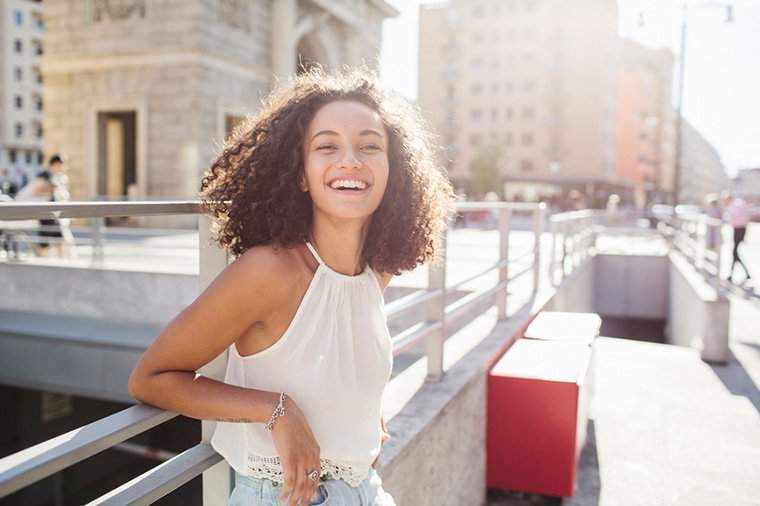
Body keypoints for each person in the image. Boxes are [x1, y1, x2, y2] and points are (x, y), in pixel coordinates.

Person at [127, 69, 454, 506]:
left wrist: (360, 418)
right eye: (327, 146)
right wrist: (275, 410)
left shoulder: (375, 271)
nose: (351, 160)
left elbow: (337, 364)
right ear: (300, 174)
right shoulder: (269, 271)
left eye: (370, 145)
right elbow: (152, 379)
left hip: (365, 492)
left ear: (393, 172)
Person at [16, 154, 74, 257]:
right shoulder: (45, 175)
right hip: (46, 213)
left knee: (55, 239)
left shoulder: (55, 176)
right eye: (61, 165)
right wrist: (53, 189)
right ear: (55, 164)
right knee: (54, 240)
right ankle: (52, 260)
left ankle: (58, 261)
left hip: (50, 213)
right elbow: (36, 192)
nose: (62, 168)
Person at [722, 191, 751, 284]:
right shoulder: (739, 203)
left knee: (734, 252)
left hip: (739, 230)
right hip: (740, 229)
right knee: (735, 253)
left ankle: (733, 274)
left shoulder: (734, 205)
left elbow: (732, 217)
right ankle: (745, 273)